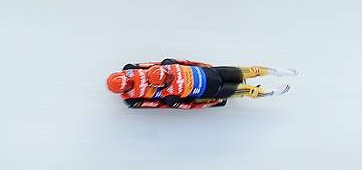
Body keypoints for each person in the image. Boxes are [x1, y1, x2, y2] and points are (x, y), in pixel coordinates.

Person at [106, 58, 296, 109]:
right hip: (213, 89)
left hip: (211, 73)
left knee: (250, 70)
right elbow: (183, 104)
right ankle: (269, 92)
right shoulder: (167, 94)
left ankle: (274, 71)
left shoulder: (166, 66)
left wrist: (205, 66)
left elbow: (186, 62)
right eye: (165, 79)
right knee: (248, 89)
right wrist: (208, 102)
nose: (168, 77)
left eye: (166, 75)